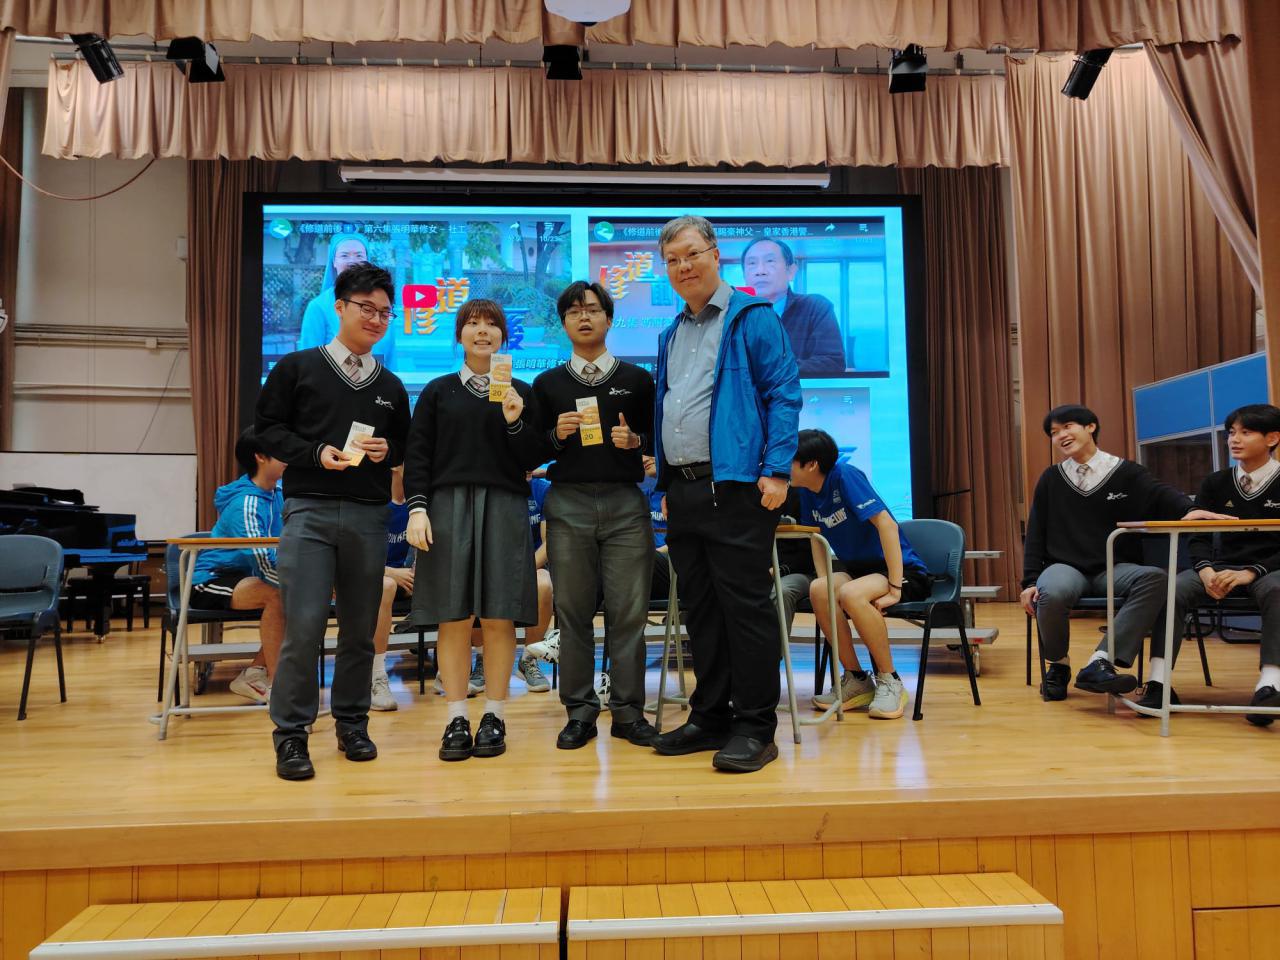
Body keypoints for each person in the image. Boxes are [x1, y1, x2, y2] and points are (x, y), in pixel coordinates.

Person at [649, 215, 802, 773]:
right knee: (703, 613)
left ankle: (756, 727)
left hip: (737, 486)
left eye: (692, 254)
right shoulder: (671, 332)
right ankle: (710, 716)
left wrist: (777, 469)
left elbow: (783, 393)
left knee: (745, 611)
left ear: (715, 255)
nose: (683, 267)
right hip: (685, 489)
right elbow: (668, 407)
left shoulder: (752, 317)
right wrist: (665, 483)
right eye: (672, 260)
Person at [256, 261, 410, 781]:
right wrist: (315, 453)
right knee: (303, 628)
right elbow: (267, 430)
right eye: (367, 308)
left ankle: (352, 724)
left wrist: (389, 450)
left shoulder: (391, 384)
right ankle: (291, 735)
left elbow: (402, 447)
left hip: (368, 515)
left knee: (360, 631)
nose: (377, 319)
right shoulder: (298, 368)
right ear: (338, 307)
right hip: (310, 512)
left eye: (385, 312)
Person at [404, 299, 546, 762]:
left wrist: (515, 421)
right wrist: (418, 510)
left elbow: (532, 459)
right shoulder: (437, 391)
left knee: (500, 616)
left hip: (505, 504)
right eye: (472, 323)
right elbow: (418, 456)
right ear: (459, 335)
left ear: (504, 336)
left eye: (491, 325)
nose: (482, 331)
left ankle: (495, 714)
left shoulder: (520, 391)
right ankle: (456, 717)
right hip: (446, 506)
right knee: (454, 617)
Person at [1021, 404, 1226, 702]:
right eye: (1054, 432)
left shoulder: (1126, 472)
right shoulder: (1051, 478)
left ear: (1090, 427)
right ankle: (1059, 666)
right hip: (1064, 567)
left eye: (1067, 427)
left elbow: (1162, 494)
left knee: (1155, 578)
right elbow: (1036, 533)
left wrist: (1190, 509)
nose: (1061, 435)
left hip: (1114, 568)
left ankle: (1100, 661)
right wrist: (1029, 581)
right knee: (1049, 592)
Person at [531, 280, 657, 751]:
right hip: (568, 503)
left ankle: (628, 712)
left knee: (629, 614)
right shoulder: (547, 384)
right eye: (573, 312)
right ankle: (580, 713)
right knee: (573, 612)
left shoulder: (639, 379)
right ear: (563, 323)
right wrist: (556, 437)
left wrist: (637, 442)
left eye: (592, 309)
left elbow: (659, 438)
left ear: (609, 318)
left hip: (626, 502)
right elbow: (531, 449)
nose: (583, 317)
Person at [790, 429, 930, 719]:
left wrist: (895, 587)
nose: (781, 464)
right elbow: (815, 536)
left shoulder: (845, 476)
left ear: (812, 464)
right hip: (859, 572)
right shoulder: (805, 491)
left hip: (901, 570)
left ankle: (890, 680)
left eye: (789, 459)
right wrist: (824, 578)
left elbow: (887, 525)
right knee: (819, 589)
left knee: (851, 594)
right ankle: (856, 678)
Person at [1170, 404, 1280, 722]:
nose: (1234, 439)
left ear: (1272, 438)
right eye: (1231, 432)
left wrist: (1251, 572)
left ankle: (1269, 686)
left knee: (1277, 590)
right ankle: (1158, 682)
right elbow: (1198, 535)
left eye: (1246, 432)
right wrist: (1205, 570)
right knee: (1172, 588)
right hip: (1220, 568)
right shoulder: (1215, 482)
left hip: (1271, 569)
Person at [189, 428, 286, 704]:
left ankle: (254, 673)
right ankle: (281, 690)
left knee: (296, 597)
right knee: (280, 595)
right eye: (280, 450)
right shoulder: (246, 504)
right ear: (260, 457)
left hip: (245, 577)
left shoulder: (277, 493)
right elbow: (264, 563)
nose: (288, 455)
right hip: (210, 580)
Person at [472, 473, 555, 695]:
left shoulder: (543, 490)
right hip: (493, 566)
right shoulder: (491, 487)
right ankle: (481, 658)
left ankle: (528, 659)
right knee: (475, 582)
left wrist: (521, 573)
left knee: (544, 584)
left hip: (531, 567)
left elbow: (548, 544)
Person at [740, 235, 844, 376]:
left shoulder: (816, 307)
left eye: (770, 261)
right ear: (744, 275)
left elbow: (833, 362)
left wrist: (770, 369)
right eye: (752, 263)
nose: (760, 271)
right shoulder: (732, 315)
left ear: (791, 271)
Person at [297, 233, 387, 359]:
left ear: (368, 261)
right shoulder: (318, 307)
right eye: (344, 255)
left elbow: (390, 357)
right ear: (334, 262)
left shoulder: (382, 304)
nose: (352, 261)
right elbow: (307, 361)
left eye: (359, 255)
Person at [369, 465, 414, 712]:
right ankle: (377, 676)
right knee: (386, 586)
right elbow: (358, 556)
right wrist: (390, 572)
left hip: (407, 578)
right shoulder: (376, 502)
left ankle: (449, 671)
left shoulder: (418, 505)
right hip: (374, 576)